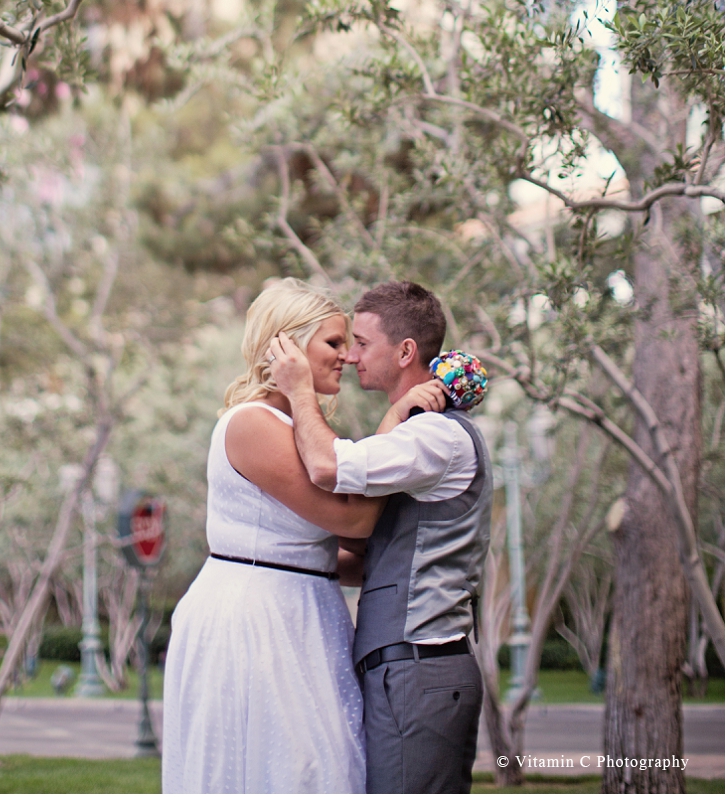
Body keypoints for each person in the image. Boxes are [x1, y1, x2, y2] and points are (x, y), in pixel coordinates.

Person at [162, 278, 435, 795]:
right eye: (333, 343)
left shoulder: (298, 430)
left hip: (305, 609)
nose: (347, 358)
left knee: (326, 766)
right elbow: (352, 521)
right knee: (296, 768)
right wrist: (394, 421)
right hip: (256, 619)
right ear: (286, 345)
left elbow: (331, 550)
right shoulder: (252, 424)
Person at [270, 280, 492, 796]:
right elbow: (374, 557)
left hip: (420, 670)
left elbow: (328, 465)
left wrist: (299, 390)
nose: (350, 357)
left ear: (406, 351)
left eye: (363, 343)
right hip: (410, 671)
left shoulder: (435, 437)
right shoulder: (419, 434)